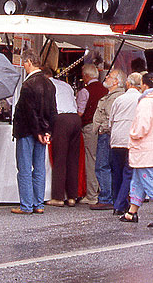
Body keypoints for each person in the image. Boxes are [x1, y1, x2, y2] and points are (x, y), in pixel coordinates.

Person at [120, 72, 153, 228]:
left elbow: (141, 126)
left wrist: (132, 133)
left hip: (145, 148)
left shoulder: (146, 102)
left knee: (150, 179)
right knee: (139, 179)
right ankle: (132, 212)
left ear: (144, 84)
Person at [11, 50, 57, 215]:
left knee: (24, 168)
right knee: (39, 168)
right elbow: (53, 111)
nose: (23, 66)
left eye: (24, 62)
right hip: (43, 131)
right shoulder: (49, 83)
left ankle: (26, 205)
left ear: (29, 62)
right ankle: (39, 204)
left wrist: (38, 131)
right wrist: (47, 131)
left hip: (27, 131)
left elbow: (30, 113)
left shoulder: (28, 84)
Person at [89, 69, 124, 210]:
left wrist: (102, 128)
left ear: (116, 81)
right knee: (111, 166)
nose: (106, 77)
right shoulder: (114, 96)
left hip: (107, 134)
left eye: (109, 76)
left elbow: (110, 117)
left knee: (102, 165)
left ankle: (105, 197)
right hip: (111, 134)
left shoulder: (113, 98)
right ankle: (112, 196)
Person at [47, 68, 82, 207]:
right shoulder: (65, 85)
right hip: (74, 118)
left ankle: (58, 197)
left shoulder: (46, 84)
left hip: (61, 119)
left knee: (60, 158)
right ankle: (72, 196)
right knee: (73, 159)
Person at [109, 72, 143, 214]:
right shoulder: (141, 99)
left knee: (116, 172)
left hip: (116, 139)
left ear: (128, 84)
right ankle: (120, 204)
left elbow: (111, 120)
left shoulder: (119, 99)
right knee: (128, 173)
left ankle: (118, 201)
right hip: (131, 139)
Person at [76, 64, 107, 205]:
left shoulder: (85, 91)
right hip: (105, 128)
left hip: (90, 127)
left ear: (86, 76)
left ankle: (91, 194)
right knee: (103, 160)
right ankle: (104, 190)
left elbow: (80, 112)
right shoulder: (106, 90)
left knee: (91, 160)